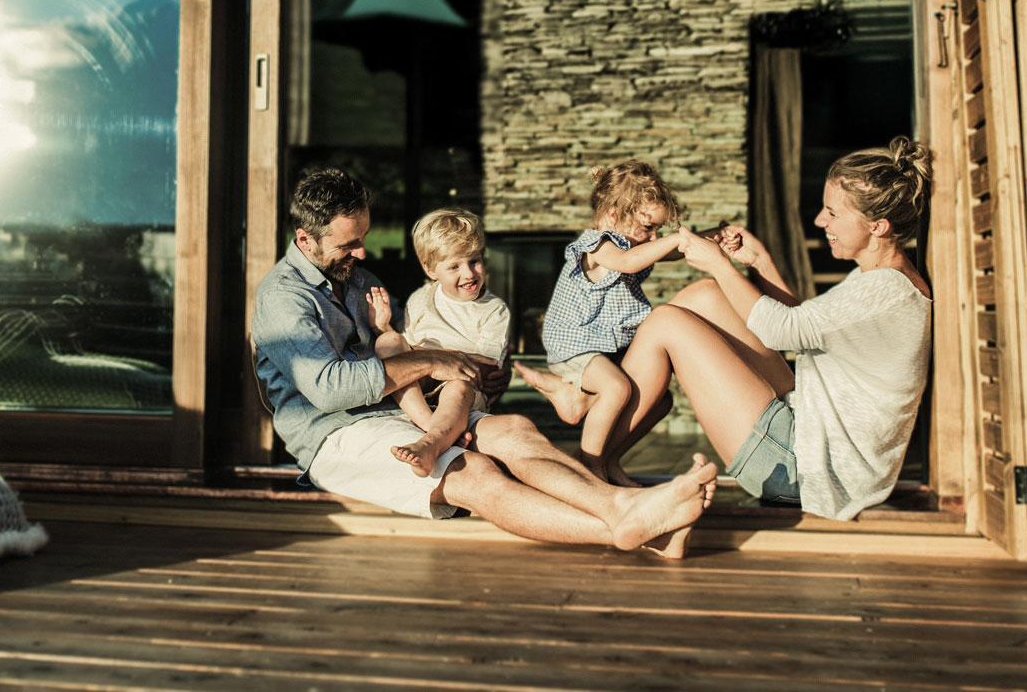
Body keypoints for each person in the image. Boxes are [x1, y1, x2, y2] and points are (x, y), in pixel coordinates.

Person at [252, 167, 717, 556]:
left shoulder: (353, 275)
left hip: (398, 410)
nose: (363, 252)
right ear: (305, 239)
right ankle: (632, 526)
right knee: (471, 471)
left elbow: (409, 337)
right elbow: (332, 389)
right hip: (335, 432)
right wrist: (438, 360)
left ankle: (630, 510)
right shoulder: (282, 298)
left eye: (364, 238)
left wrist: (481, 375)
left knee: (514, 429)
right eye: (349, 244)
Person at [609, 137, 934, 520]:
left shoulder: (881, 291)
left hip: (803, 469)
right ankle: (605, 430)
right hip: (808, 431)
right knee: (705, 296)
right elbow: (802, 331)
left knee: (667, 321)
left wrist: (719, 263)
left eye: (832, 213)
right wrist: (759, 262)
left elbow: (783, 331)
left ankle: (594, 448)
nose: (819, 221)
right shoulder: (883, 280)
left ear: (877, 226)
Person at [514, 160, 688, 487]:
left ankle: (609, 460)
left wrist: (712, 238)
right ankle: (589, 468)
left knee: (660, 400)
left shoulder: (637, 243)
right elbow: (627, 261)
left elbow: (673, 252)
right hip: (576, 343)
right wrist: (674, 239)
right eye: (648, 226)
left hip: (605, 346)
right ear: (612, 215)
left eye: (658, 230)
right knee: (617, 388)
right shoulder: (598, 244)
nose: (653, 237)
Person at [364, 207, 511, 477]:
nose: (468, 274)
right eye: (454, 266)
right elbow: (406, 348)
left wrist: (433, 359)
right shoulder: (421, 298)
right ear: (431, 269)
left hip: (462, 385)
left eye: (474, 261)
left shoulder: (494, 310)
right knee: (387, 342)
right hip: (422, 383)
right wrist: (382, 326)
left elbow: (486, 365)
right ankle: (431, 425)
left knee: (457, 387)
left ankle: (430, 444)